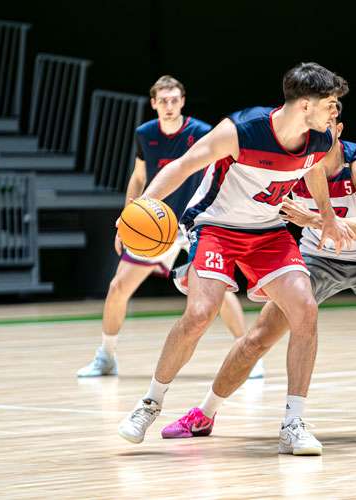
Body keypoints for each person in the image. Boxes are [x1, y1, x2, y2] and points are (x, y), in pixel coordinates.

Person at [117, 62, 355, 454]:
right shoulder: (241, 129)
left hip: (268, 233)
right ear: (305, 105)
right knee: (199, 315)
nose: (336, 112)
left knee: (305, 310)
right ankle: (150, 403)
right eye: (330, 104)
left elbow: (313, 170)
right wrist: (144, 203)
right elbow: (182, 166)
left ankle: (293, 423)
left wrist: (327, 215)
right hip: (217, 227)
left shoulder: (320, 138)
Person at [162, 107, 356, 448]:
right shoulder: (294, 162)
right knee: (258, 337)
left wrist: (314, 219)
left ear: (338, 128)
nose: (319, 130)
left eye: (328, 124)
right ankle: (205, 412)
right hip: (316, 259)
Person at [76, 75, 263, 380]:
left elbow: (221, 172)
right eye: (163, 100)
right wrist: (128, 216)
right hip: (153, 225)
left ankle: (247, 356)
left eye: (174, 99)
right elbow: (138, 178)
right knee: (117, 287)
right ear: (153, 103)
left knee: (217, 292)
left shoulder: (202, 132)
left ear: (183, 101)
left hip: (193, 223)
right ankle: (106, 356)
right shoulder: (144, 134)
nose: (169, 105)